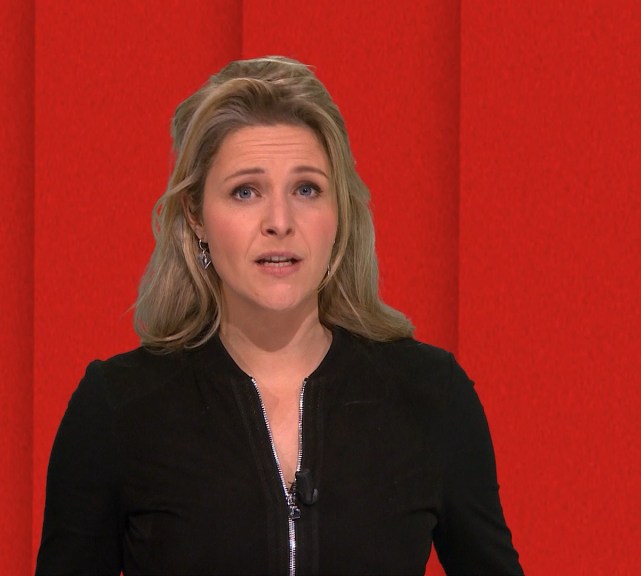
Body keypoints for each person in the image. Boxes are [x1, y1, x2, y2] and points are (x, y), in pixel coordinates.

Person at [36, 55, 524, 575]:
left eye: (306, 189)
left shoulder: (430, 396)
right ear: (196, 216)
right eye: (245, 191)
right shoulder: (118, 408)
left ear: (339, 213)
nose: (279, 222)